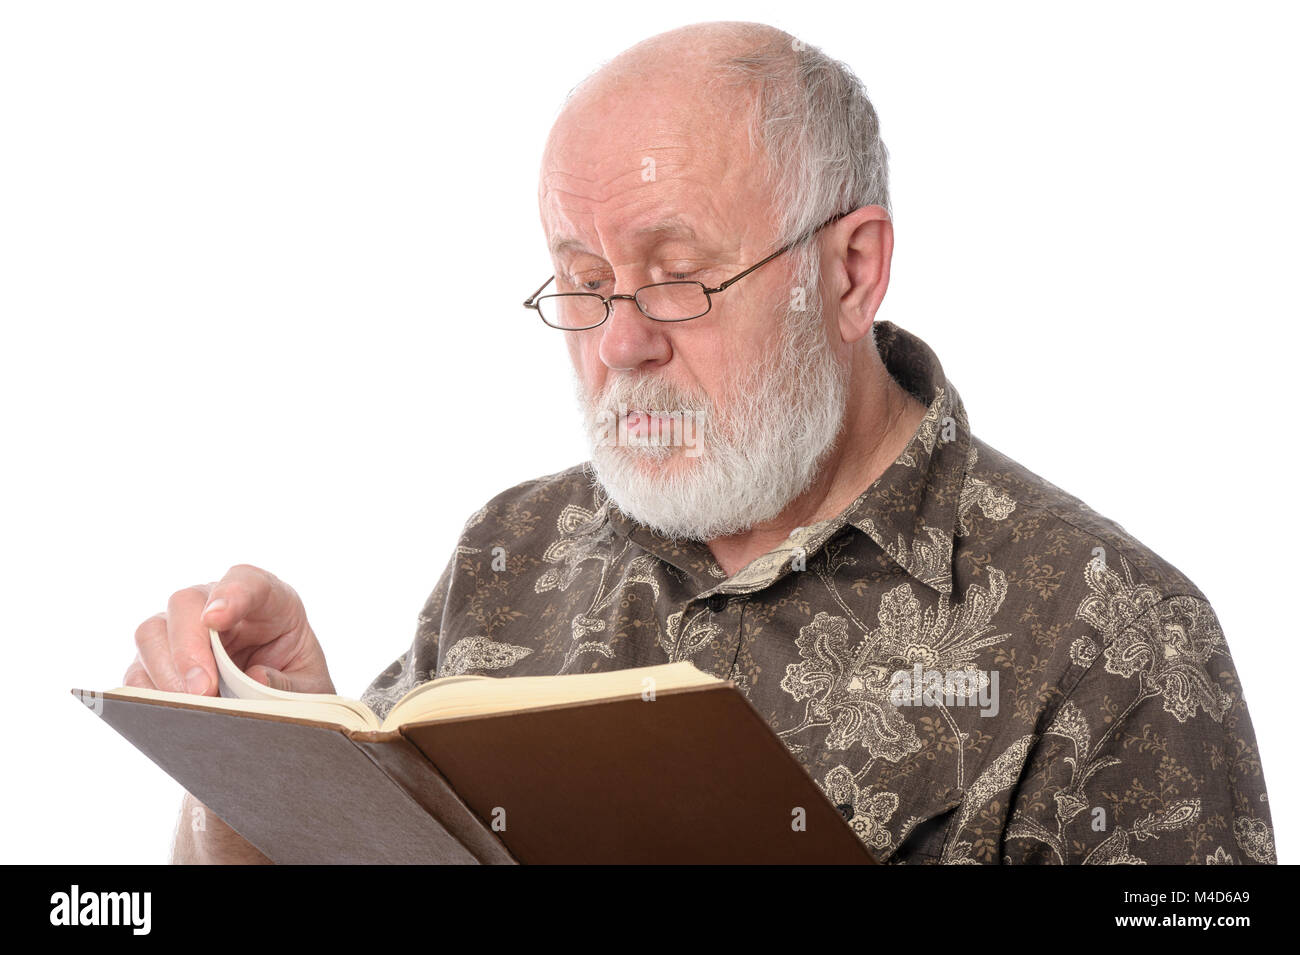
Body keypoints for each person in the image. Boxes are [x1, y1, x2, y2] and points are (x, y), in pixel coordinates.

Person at [126, 21, 1275, 865]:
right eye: (583, 281)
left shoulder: (1117, 633)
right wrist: (259, 753)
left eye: (678, 278)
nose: (619, 343)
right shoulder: (514, 549)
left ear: (849, 272)